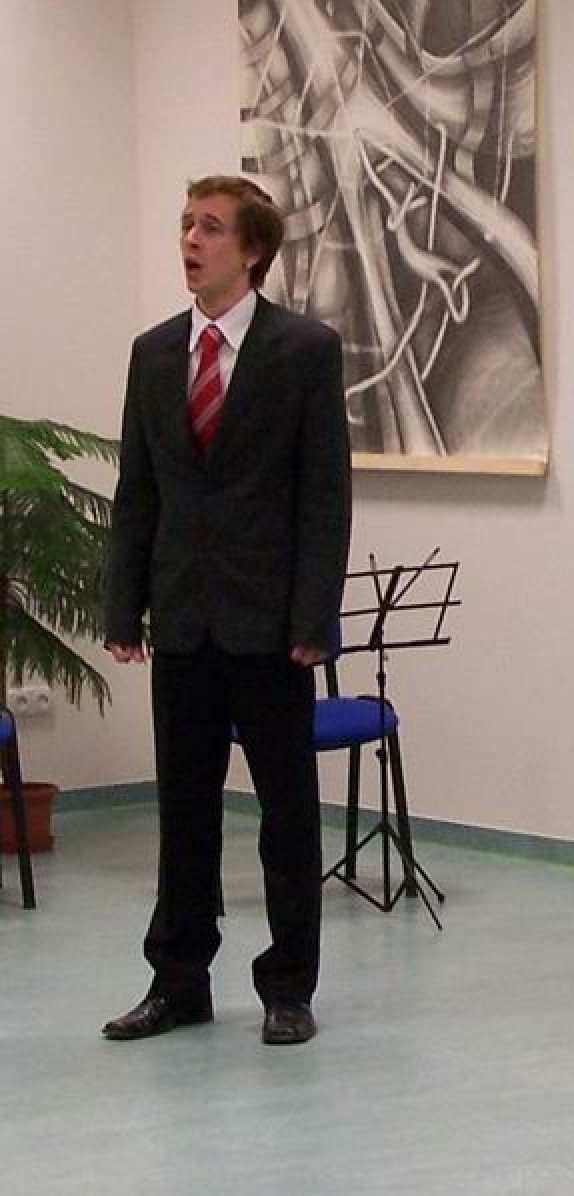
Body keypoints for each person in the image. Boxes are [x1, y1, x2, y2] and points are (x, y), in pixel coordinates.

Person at [101, 175, 352, 1045]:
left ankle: (288, 987)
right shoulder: (153, 353)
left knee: (286, 812)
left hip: (270, 626)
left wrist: (314, 618)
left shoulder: (304, 350)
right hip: (182, 618)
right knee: (184, 813)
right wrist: (123, 606)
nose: (190, 240)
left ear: (251, 251)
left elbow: (325, 496)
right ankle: (178, 982)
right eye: (185, 225)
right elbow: (139, 490)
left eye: (209, 227)